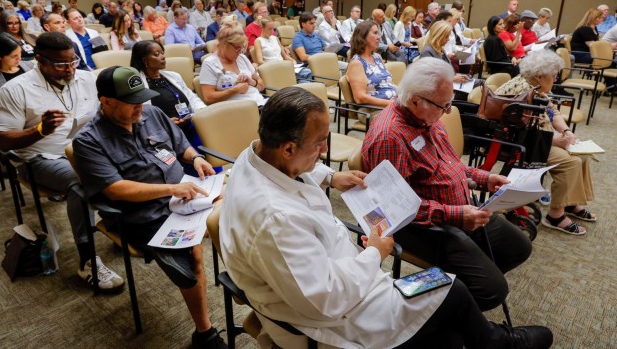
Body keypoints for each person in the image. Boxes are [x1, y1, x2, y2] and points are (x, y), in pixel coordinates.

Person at [220, 86, 553, 349]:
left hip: (341, 275)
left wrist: (329, 177)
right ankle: (496, 342)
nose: (324, 152)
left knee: (450, 324)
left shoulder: (256, 160)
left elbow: (299, 167)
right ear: (289, 148)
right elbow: (323, 300)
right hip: (330, 317)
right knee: (450, 289)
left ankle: (489, 338)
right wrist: (375, 253)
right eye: (321, 144)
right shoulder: (274, 218)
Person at [72, 66, 227, 349]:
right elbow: (115, 189)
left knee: (235, 198)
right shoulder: (88, 141)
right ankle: (205, 334)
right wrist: (172, 189)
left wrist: (195, 159)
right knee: (192, 257)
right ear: (105, 101)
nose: (140, 108)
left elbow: (181, 146)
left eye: (142, 99)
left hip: (185, 194)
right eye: (132, 103)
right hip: (141, 213)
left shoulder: (151, 113)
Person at [362, 57, 533, 312]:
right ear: (415, 100)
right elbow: (394, 207)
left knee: (519, 246)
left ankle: (456, 290)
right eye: (444, 105)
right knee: (491, 290)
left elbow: (450, 165)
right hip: (423, 226)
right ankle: (433, 312)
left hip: (459, 211)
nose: (449, 111)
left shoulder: (426, 118)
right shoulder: (390, 136)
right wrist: (455, 215)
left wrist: (484, 178)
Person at [0, 32, 123, 292]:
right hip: (40, 158)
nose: (69, 69)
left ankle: (119, 228)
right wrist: (40, 130)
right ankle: (87, 260)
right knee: (81, 182)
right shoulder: (15, 89)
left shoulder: (86, 78)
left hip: (87, 150)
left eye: (73, 62)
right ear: (39, 61)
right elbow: (3, 141)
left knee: (126, 160)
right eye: (61, 65)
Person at [496, 50, 596, 235]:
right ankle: (555, 215)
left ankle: (571, 203)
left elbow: (553, 112)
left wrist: (565, 131)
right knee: (571, 162)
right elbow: (526, 131)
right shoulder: (523, 91)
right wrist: (556, 141)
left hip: (539, 138)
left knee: (583, 156)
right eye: (554, 74)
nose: (556, 79)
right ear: (540, 75)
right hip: (523, 143)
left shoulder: (536, 86)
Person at [130, 41, 205, 147]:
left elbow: (192, 97)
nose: (163, 57)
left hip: (190, 126)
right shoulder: (137, 84)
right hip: (162, 134)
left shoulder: (174, 76)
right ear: (144, 59)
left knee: (210, 152)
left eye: (162, 53)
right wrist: (164, 122)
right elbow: (138, 115)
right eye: (157, 54)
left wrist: (201, 112)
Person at [199, 26, 265, 106]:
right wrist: (235, 90)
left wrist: (252, 82)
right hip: (235, 110)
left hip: (258, 103)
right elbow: (208, 98)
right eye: (237, 48)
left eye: (242, 48)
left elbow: (261, 86)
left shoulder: (242, 58)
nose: (240, 52)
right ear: (224, 44)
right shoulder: (210, 63)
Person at [346, 20, 397, 123]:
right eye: (375, 33)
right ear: (363, 37)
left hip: (390, 105)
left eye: (378, 33)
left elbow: (387, 83)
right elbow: (360, 98)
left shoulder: (377, 57)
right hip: (372, 110)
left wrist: (406, 94)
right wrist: (392, 104)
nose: (379, 37)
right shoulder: (357, 63)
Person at [253, 17, 312, 83]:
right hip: (271, 68)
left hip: (283, 65)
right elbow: (260, 61)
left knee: (307, 72)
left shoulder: (275, 38)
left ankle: (300, 89)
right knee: (303, 75)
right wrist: (275, 66)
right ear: (262, 28)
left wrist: (293, 61)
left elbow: (285, 56)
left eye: (273, 29)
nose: (272, 31)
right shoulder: (258, 41)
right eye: (269, 29)